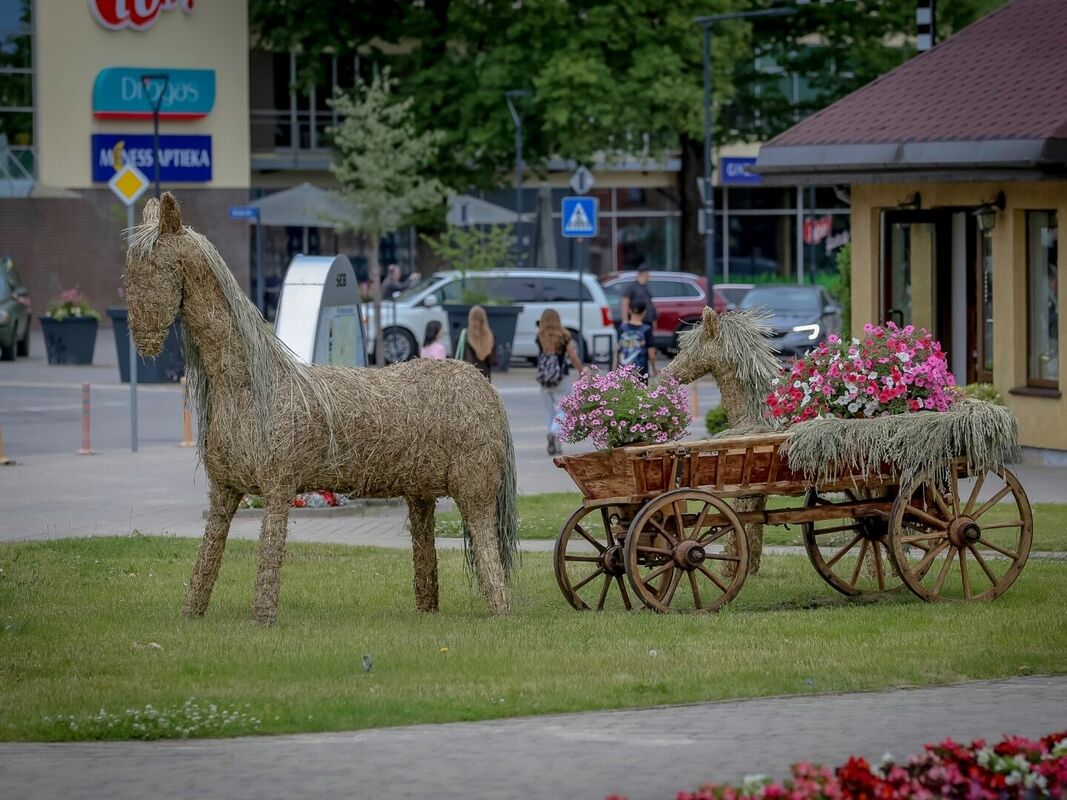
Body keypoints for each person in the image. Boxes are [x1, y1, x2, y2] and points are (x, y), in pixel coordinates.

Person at [535, 309, 583, 455]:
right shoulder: (564, 336)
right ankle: (554, 433)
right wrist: (581, 370)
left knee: (550, 413)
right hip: (561, 378)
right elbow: (573, 357)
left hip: (545, 380)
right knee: (564, 410)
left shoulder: (540, 336)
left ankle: (554, 441)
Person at [616, 299, 656, 382]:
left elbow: (618, 350)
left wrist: (615, 370)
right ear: (644, 312)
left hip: (624, 371)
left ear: (630, 310)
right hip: (641, 371)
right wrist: (654, 369)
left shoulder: (622, 329)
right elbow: (651, 354)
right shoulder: (646, 330)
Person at [460, 305, 497, 381]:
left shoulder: (464, 336)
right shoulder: (490, 336)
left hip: (468, 375)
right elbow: (494, 361)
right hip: (484, 376)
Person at [619, 264, 658, 329]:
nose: (649, 276)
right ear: (644, 274)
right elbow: (625, 303)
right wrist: (625, 320)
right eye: (648, 274)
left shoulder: (646, 287)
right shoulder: (632, 287)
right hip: (638, 322)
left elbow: (650, 304)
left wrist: (653, 319)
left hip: (648, 321)